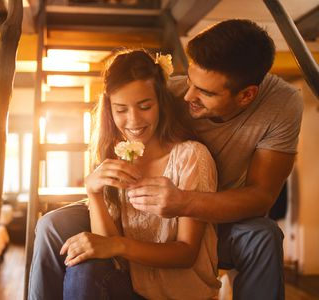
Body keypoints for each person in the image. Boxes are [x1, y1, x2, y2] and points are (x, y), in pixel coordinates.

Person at [28, 19, 303, 300]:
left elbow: (262, 197)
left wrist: (184, 201)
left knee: (264, 234)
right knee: (52, 225)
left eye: (205, 92)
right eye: (190, 81)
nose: (187, 95)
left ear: (246, 96)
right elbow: (128, 106)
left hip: (211, 210)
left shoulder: (280, 105)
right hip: (139, 217)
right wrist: (95, 192)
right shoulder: (162, 94)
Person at [30, 49, 221, 299]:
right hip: (131, 289)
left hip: (179, 293)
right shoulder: (114, 158)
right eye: (121, 110)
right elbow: (104, 249)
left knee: (82, 269)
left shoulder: (191, 156)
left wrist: (118, 244)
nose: (133, 120)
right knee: (83, 267)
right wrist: (93, 193)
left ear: (161, 103)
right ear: (109, 110)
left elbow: (186, 253)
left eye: (144, 106)